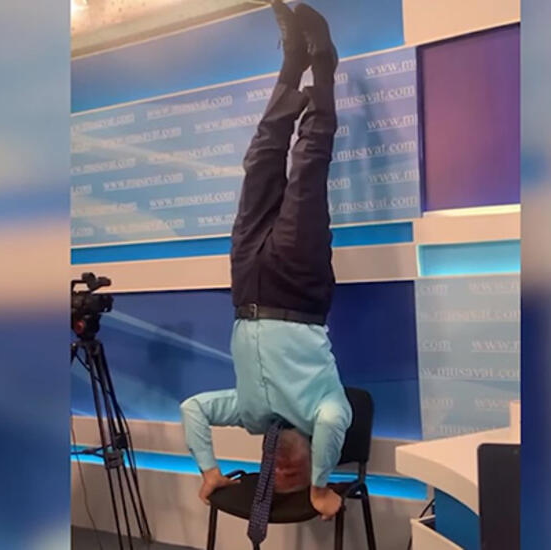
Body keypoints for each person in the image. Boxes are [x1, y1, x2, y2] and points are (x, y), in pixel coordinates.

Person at [179, 1, 351, 521]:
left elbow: (193, 409)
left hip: (247, 283)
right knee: (307, 162)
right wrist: (318, 488)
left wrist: (209, 471)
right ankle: (323, 65)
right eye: (294, 474)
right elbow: (331, 430)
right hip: (298, 289)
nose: (284, 469)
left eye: (276, 475)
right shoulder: (326, 411)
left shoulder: (250, 417)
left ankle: (292, 60)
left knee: (260, 160)